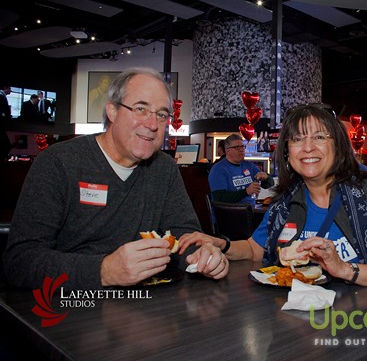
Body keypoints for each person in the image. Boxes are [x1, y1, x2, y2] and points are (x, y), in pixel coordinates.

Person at [3, 67, 228, 290]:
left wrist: (202, 255)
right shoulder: (59, 162)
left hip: (147, 310)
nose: (152, 124)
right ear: (112, 111)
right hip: (65, 308)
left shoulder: (164, 168)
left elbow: (184, 237)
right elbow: (20, 262)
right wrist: (105, 270)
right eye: (141, 108)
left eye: (161, 114)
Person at [180, 104, 367, 288]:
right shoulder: (284, 202)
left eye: (320, 137)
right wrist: (220, 243)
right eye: (297, 139)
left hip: (359, 322)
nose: (307, 147)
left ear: (338, 146)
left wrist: (344, 269)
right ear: (287, 152)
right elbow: (254, 250)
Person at [208, 134, 274, 204]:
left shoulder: (249, 166)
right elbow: (219, 198)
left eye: (242, 147)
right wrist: (246, 191)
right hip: (229, 212)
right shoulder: (218, 169)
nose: (241, 150)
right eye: (237, 147)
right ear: (228, 151)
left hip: (251, 211)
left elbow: (270, 184)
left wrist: (266, 178)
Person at [0, 85, 13, 159]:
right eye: (9, 88)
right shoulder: (1, 96)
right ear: (5, 88)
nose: (10, 90)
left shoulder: (2, 96)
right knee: (6, 145)